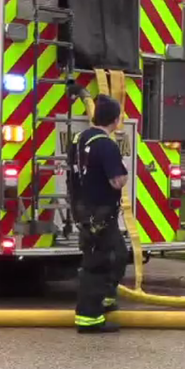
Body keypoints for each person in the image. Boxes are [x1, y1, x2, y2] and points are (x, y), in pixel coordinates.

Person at [69, 94, 130, 334]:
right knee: (99, 263)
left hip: (84, 211)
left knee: (119, 255)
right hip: (101, 214)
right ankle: (89, 317)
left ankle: (106, 299)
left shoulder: (79, 138)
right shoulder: (106, 145)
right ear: (115, 120)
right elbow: (117, 181)